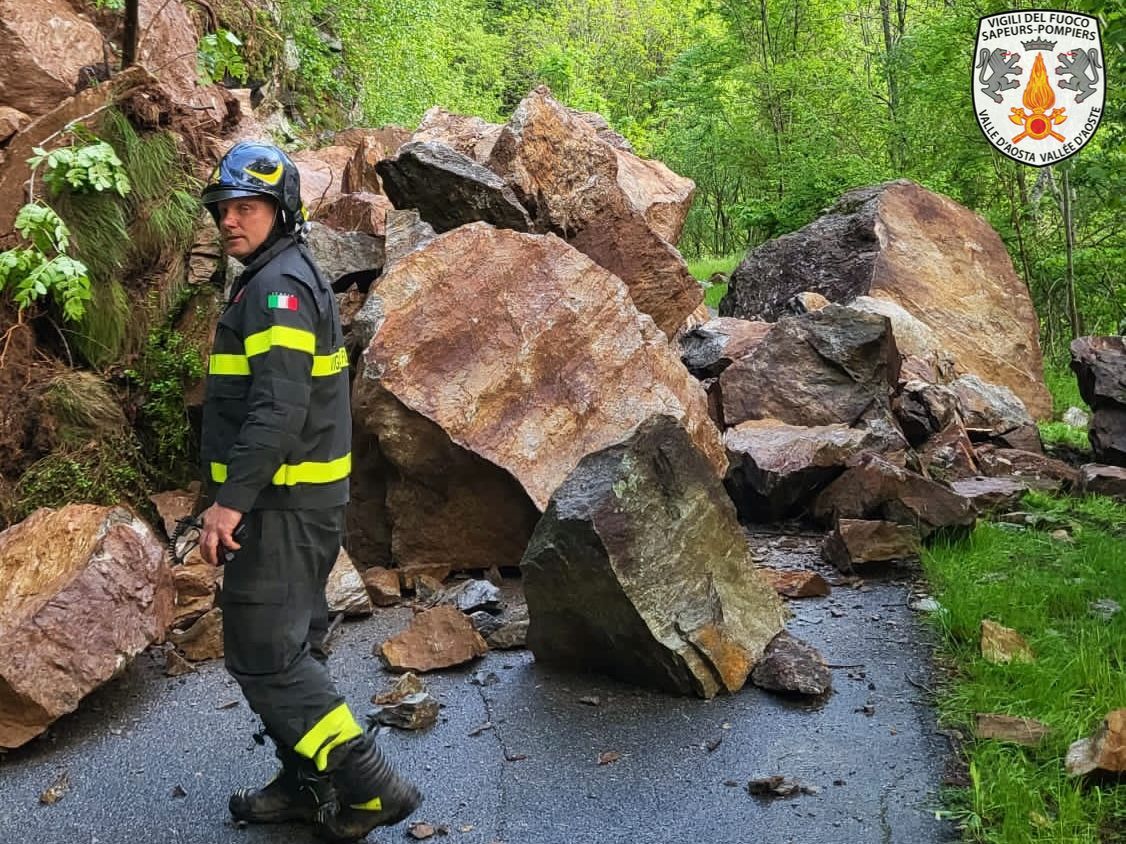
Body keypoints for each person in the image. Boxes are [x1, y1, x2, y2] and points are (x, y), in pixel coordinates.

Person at [197, 141, 422, 841]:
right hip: (293, 506)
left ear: (281, 210)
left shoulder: (277, 290)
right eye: (223, 210)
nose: (230, 221)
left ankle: (371, 786)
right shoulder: (278, 277)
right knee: (293, 643)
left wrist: (230, 501)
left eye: (246, 208)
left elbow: (279, 408)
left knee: (269, 655)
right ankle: (306, 784)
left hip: (282, 509)